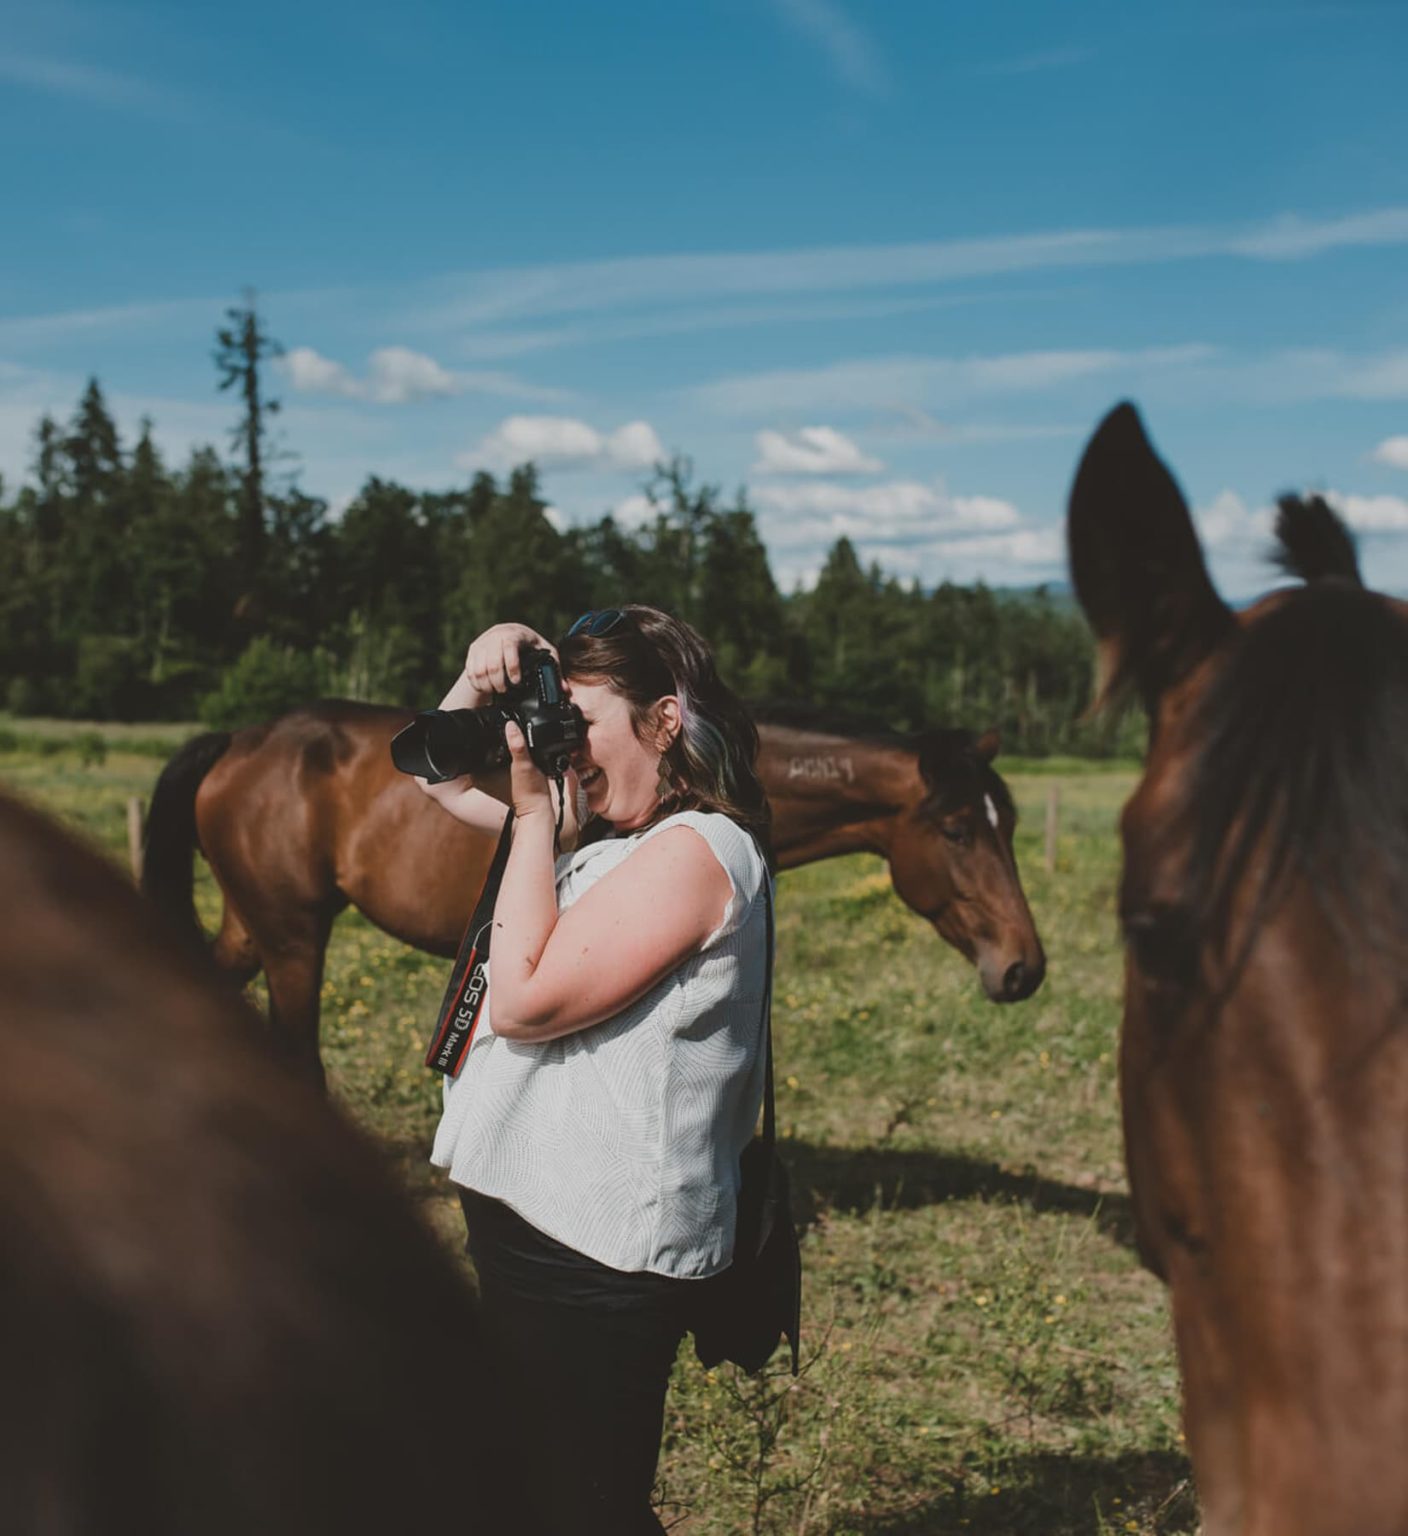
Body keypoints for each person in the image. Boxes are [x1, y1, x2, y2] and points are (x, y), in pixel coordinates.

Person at [416, 605, 774, 1535]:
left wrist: (536, 815)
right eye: (557, 722)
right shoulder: (607, 832)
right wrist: (478, 677)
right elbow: (433, 773)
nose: (564, 747)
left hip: (597, 1249)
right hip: (533, 1217)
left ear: (665, 721)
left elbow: (524, 1004)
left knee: (581, 1503)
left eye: (582, 723)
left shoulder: (697, 850)